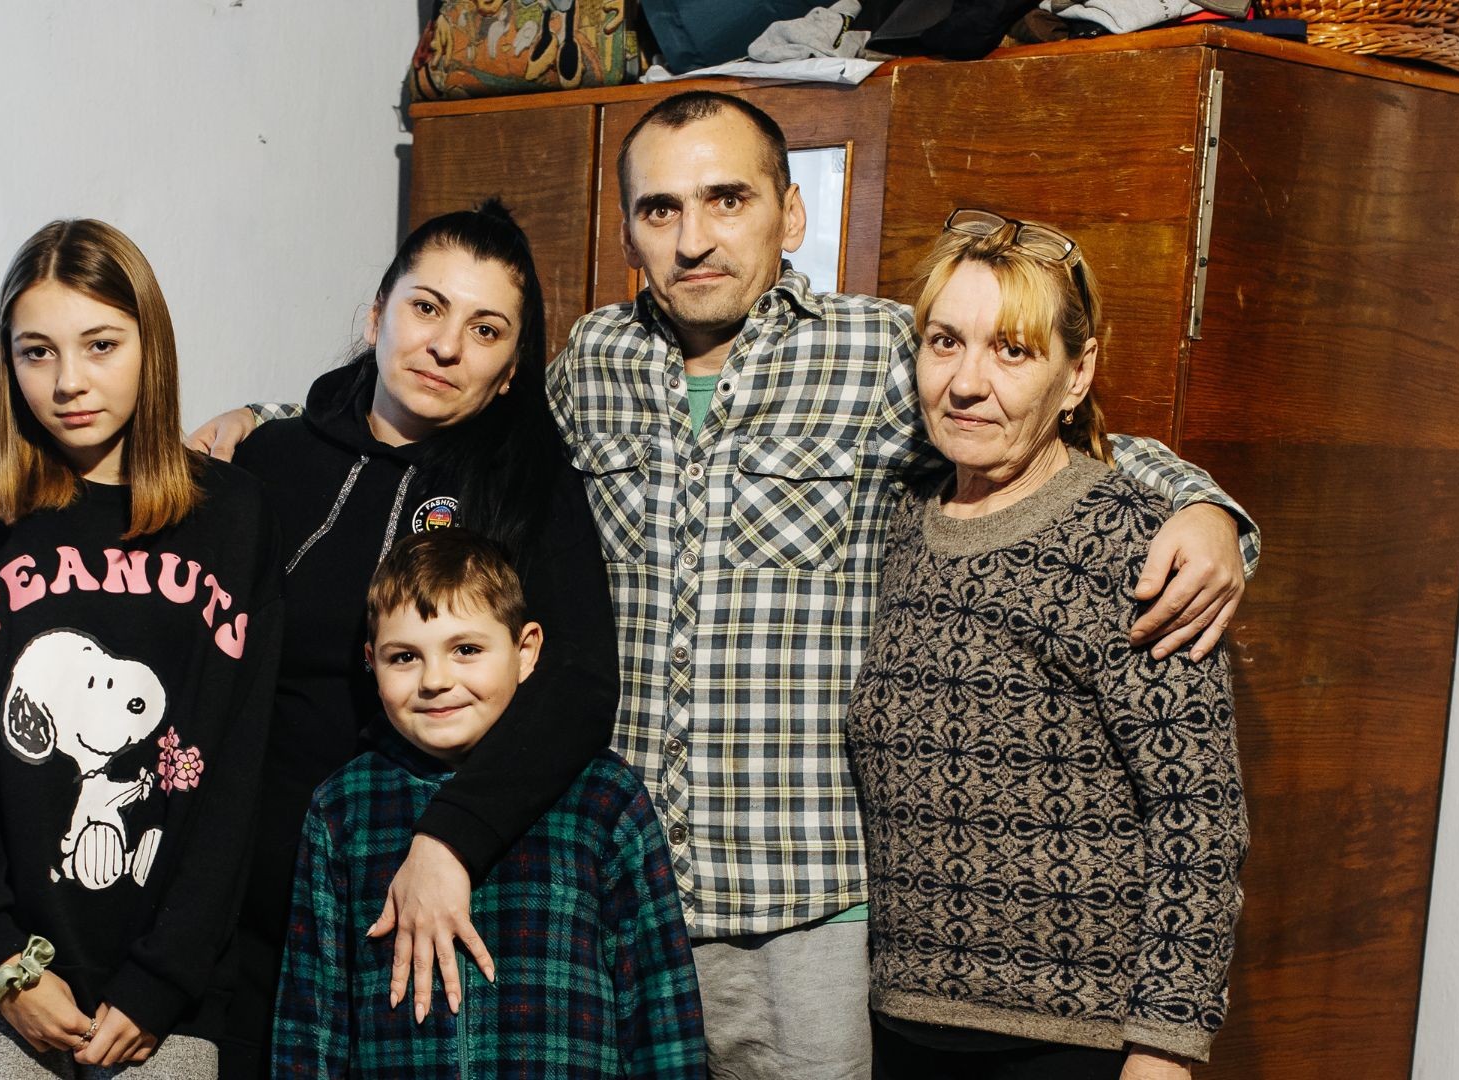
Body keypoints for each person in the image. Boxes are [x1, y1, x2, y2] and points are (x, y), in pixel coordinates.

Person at [194, 92, 1256, 1077]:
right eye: (661, 208)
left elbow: (1036, 420)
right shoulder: (591, 364)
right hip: (608, 881)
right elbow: (438, 394)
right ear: (629, 232)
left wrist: (1207, 509)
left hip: (802, 908)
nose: (693, 237)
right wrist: (260, 423)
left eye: (727, 199)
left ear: (791, 213)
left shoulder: (882, 353)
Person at [0, 219, 283, 1077]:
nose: (68, 382)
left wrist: (163, 977)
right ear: (8, 363)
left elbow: (236, 777)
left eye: (100, 345)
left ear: (151, 346)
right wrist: (2, 963)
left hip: (166, 1003)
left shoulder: (234, 518)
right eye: (36, 352)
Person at [218, 200, 620, 1075]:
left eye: (485, 330)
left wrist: (449, 840)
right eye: (426, 307)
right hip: (245, 913)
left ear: (512, 370)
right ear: (377, 316)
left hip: (417, 902)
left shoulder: (532, 490)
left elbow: (581, 684)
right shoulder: (270, 462)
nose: (446, 346)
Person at [846, 209, 1249, 1079]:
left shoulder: (1135, 544)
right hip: (900, 1025)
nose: (966, 381)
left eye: (1014, 350)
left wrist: (1164, 1050)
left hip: (1075, 1046)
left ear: (1077, 374)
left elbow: (1198, 819)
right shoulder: (898, 520)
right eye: (945, 341)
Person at [272, 530, 705, 1078]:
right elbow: (310, 1021)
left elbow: (660, 1005)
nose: (435, 680)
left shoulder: (603, 797)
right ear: (370, 662)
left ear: (525, 652)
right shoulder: (342, 810)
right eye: (404, 656)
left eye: (467, 650)